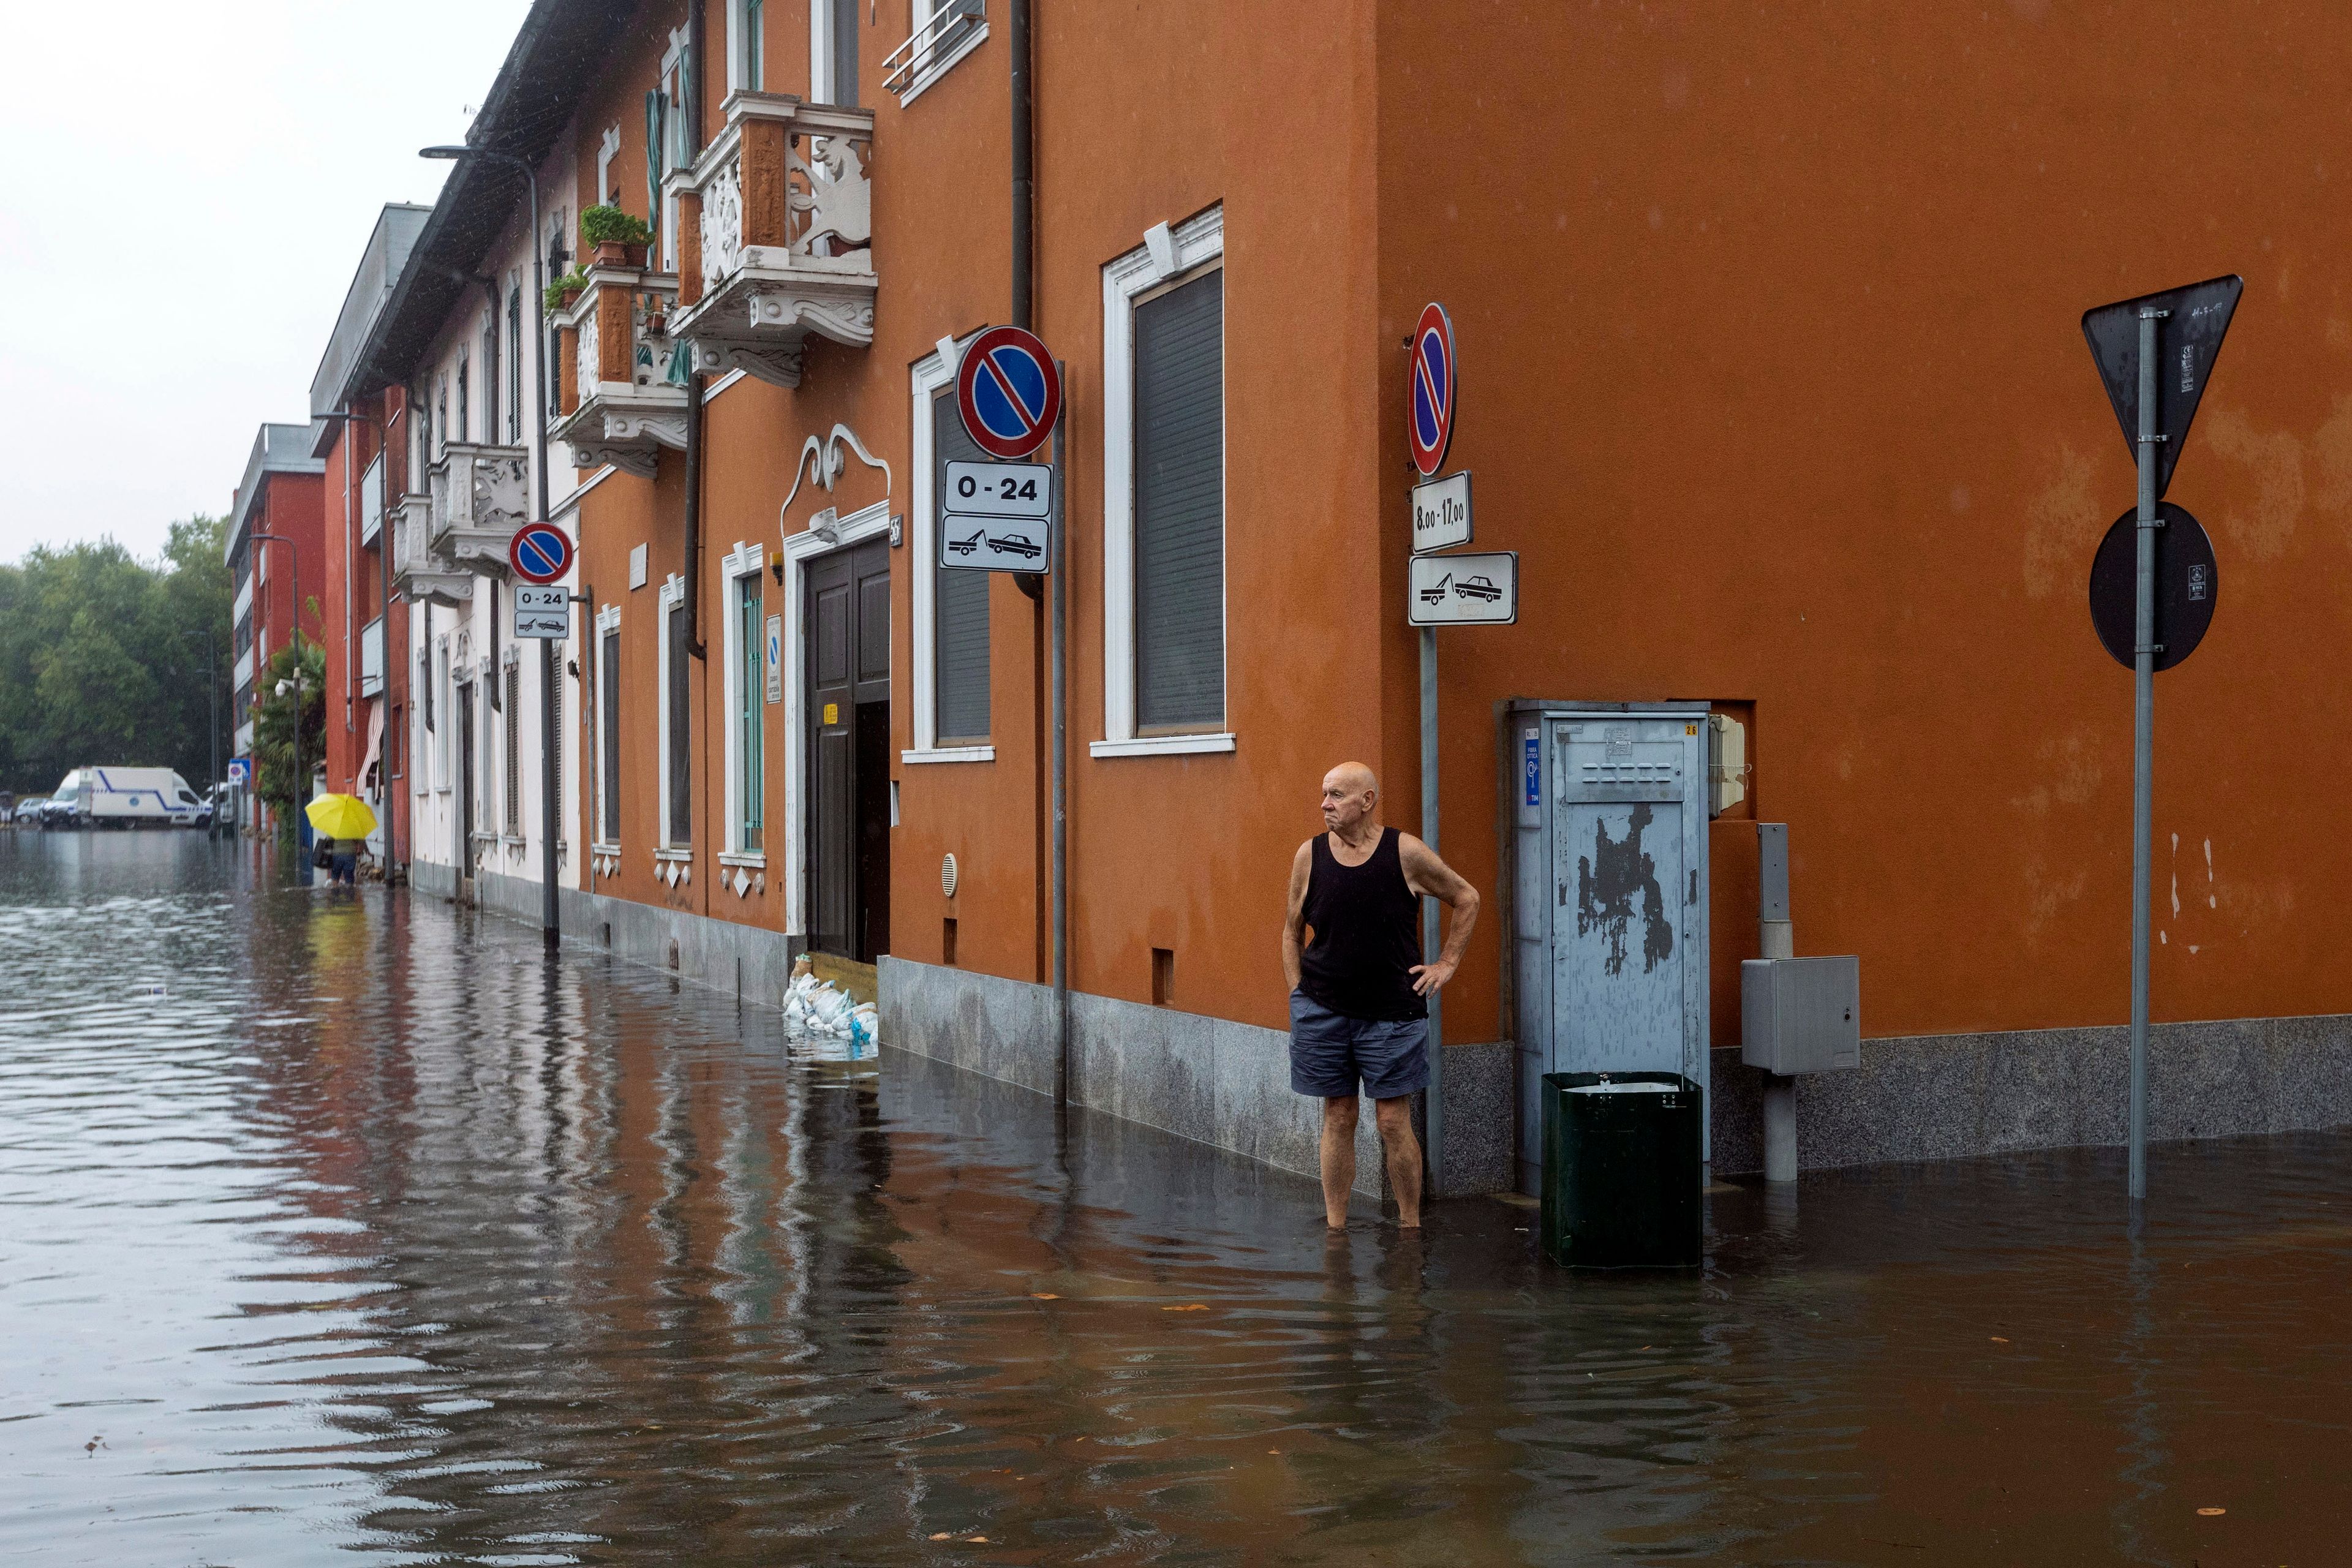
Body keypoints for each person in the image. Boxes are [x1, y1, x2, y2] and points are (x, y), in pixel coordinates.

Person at [1282, 761, 1479, 1230]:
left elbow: (1467, 897)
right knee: (1338, 1114)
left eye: (1336, 795)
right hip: (1322, 1010)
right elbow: (1291, 931)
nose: (1324, 804)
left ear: (1367, 801)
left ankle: (1410, 1228)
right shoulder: (1308, 856)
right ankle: (1336, 1229)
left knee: (1392, 1121)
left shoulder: (1404, 852)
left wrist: (1447, 964)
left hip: (1392, 1013)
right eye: (1323, 794)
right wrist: (1298, 994)